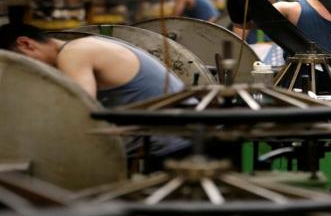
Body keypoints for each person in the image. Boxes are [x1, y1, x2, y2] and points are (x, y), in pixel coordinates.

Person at [0, 23, 191, 162]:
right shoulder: (86, 46)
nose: (27, 73)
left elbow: (79, 112)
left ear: (25, 44)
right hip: (176, 139)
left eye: (22, 64)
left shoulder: (74, 53)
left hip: (169, 150)